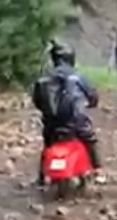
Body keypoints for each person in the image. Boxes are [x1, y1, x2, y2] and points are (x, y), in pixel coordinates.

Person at [32, 43, 102, 186]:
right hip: (77, 122)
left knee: (48, 145)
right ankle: (98, 171)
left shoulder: (43, 78)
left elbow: (37, 101)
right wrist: (91, 103)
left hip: (52, 124)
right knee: (90, 141)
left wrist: (47, 113)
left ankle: (41, 177)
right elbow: (93, 96)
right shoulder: (78, 76)